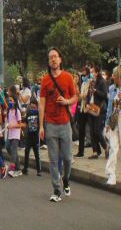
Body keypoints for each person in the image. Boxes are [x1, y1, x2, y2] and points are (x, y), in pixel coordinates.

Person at [38, 47, 78, 202]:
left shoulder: (68, 78)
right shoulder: (45, 80)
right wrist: (41, 126)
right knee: (53, 160)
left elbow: (75, 97)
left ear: (60, 59)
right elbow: (41, 104)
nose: (53, 59)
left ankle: (66, 179)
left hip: (65, 123)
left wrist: (66, 101)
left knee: (68, 158)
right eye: (50, 58)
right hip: (50, 124)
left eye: (55, 56)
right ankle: (56, 189)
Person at [86, 65, 108, 159]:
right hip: (91, 108)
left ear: (97, 72)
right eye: (91, 72)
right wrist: (87, 103)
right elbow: (88, 94)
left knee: (97, 130)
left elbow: (105, 95)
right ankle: (95, 151)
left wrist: (96, 91)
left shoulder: (102, 82)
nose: (91, 73)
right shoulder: (91, 82)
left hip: (99, 109)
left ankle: (106, 147)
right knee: (91, 131)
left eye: (93, 71)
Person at [6, 86, 24, 177]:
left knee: (13, 150)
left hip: (16, 134)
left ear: (15, 102)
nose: (10, 102)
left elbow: (21, 124)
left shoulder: (17, 111)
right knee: (8, 147)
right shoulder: (9, 111)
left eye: (11, 101)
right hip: (10, 134)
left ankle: (12, 168)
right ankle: (18, 168)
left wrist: (13, 126)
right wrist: (8, 126)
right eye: (9, 101)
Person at [75, 66, 92, 158]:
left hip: (87, 109)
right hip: (82, 108)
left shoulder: (89, 83)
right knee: (81, 129)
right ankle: (80, 151)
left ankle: (101, 148)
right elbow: (81, 97)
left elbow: (85, 95)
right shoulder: (83, 84)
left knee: (93, 130)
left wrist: (78, 93)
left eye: (84, 74)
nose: (83, 76)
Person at [23, 98, 41, 176]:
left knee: (37, 154)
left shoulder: (38, 114)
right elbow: (25, 122)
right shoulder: (28, 113)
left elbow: (41, 124)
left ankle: (39, 170)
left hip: (36, 136)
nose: (33, 108)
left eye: (34, 106)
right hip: (29, 136)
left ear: (36, 106)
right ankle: (25, 168)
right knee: (26, 152)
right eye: (31, 106)